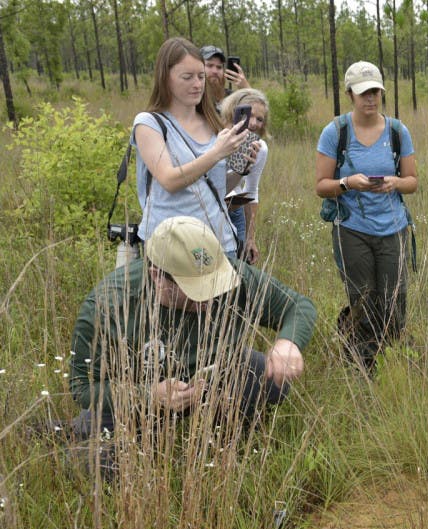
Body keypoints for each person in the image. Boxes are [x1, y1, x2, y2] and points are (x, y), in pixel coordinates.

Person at [66, 216, 316, 477]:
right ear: (158, 278)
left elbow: (297, 306)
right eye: (197, 291)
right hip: (142, 398)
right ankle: (71, 429)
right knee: (99, 464)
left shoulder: (224, 271)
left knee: (269, 380)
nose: (212, 298)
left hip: (210, 378)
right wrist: (148, 395)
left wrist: (288, 342)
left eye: (215, 285)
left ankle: (224, 436)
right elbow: (83, 387)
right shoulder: (109, 305)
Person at [315, 61, 418, 373]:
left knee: (394, 297)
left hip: (394, 227)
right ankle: (362, 362)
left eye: (375, 92)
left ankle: (394, 353)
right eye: (363, 93)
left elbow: (412, 181)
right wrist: (348, 183)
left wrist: (395, 183)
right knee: (363, 297)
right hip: (352, 229)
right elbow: (321, 186)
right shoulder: (336, 132)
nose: (371, 99)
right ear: (350, 95)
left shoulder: (398, 131)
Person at [132, 37, 255, 259]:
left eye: (201, 76)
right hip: (173, 249)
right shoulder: (150, 124)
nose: (197, 84)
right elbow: (170, 180)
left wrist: (241, 169)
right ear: (165, 78)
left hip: (220, 243)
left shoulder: (212, 122)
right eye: (187, 77)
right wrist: (217, 152)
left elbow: (215, 188)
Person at [220, 88, 271, 264]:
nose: (254, 123)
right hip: (207, 211)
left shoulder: (259, 148)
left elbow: (251, 190)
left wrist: (250, 237)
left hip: (234, 210)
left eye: (260, 119)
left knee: (236, 268)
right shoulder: (214, 136)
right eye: (249, 114)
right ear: (235, 111)